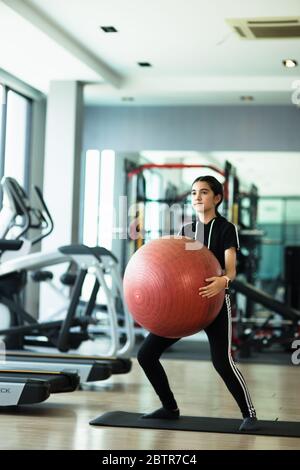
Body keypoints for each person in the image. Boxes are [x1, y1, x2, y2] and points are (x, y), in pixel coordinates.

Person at [137, 175, 259, 432]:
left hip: (215, 305)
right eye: (193, 193)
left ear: (217, 198)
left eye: (204, 192)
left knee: (222, 362)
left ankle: (249, 414)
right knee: (146, 354)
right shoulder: (186, 231)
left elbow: (231, 271)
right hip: (184, 306)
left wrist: (222, 282)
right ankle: (169, 408)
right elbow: (175, 268)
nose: (197, 197)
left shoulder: (227, 229)